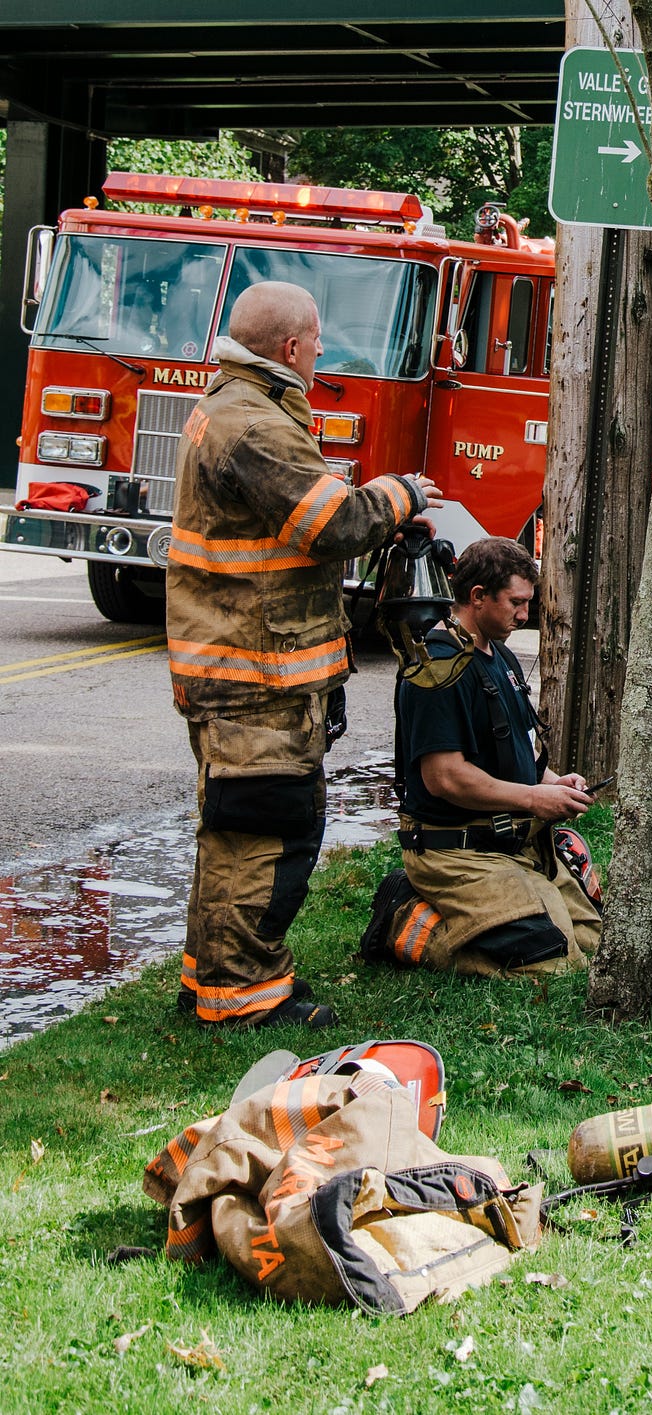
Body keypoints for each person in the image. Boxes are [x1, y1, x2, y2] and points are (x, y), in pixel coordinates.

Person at [168, 280, 441, 1028]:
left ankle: (210, 979)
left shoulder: (238, 406)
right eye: (317, 341)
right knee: (265, 831)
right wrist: (400, 494)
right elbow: (332, 523)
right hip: (254, 675)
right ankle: (246, 997)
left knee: (233, 831)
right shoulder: (253, 424)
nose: (322, 352)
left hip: (244, 668)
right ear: (291, 348)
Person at [360, 537, 604, 976]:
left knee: (596, 945)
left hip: (514, 845)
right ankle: (403, 918)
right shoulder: (437, 668)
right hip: (455, 852)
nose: (524, 615)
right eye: (515, 602)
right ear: (477, 597)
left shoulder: (500, 656)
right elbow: (445, 778)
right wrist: (532, 799)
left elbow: (517, 752)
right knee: (553, 964)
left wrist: (553, 783)